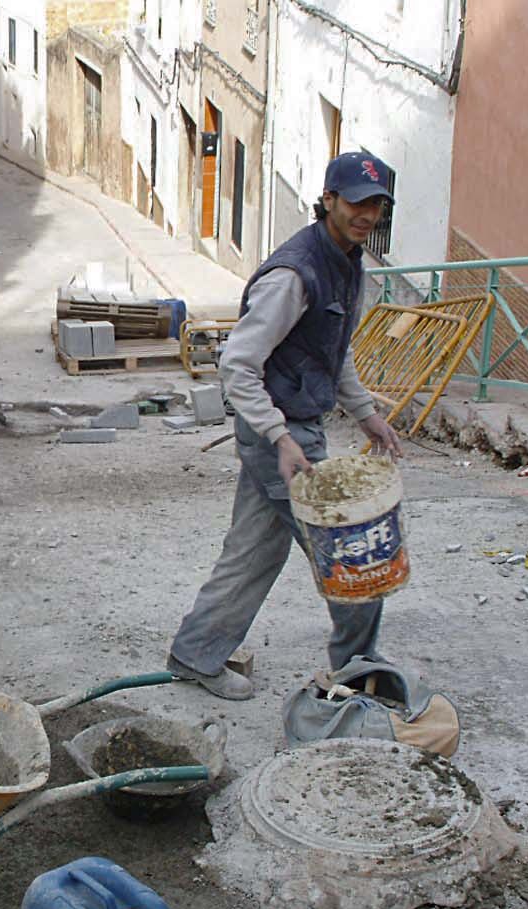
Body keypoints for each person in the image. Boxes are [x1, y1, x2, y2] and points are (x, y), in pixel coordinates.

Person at [165, 151, 404, 701]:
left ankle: (195, 653)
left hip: (290, 428)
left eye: (376, 205)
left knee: (255, 549)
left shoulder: (345, 263)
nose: (366, 215)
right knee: (351, 554)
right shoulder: (296, 274)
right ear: (328, 200)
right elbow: (237, 364)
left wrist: (366, 413)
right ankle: (357, 668)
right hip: (282, 431)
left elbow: (332, 349)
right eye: (356, 203)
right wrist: (280, 438)